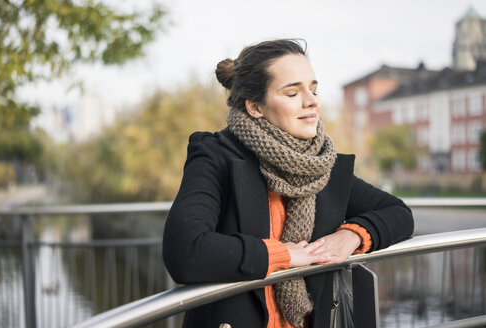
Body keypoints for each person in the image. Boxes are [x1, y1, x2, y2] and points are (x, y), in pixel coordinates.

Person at [162, 39, 414, 328]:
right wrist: (281, 254)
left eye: (314, 89)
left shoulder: (320, 165)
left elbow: (399, 213)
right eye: (293, 92)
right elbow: (185, 251)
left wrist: (353, 235)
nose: (312, 101)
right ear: (255, 107)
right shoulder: (215, 156)